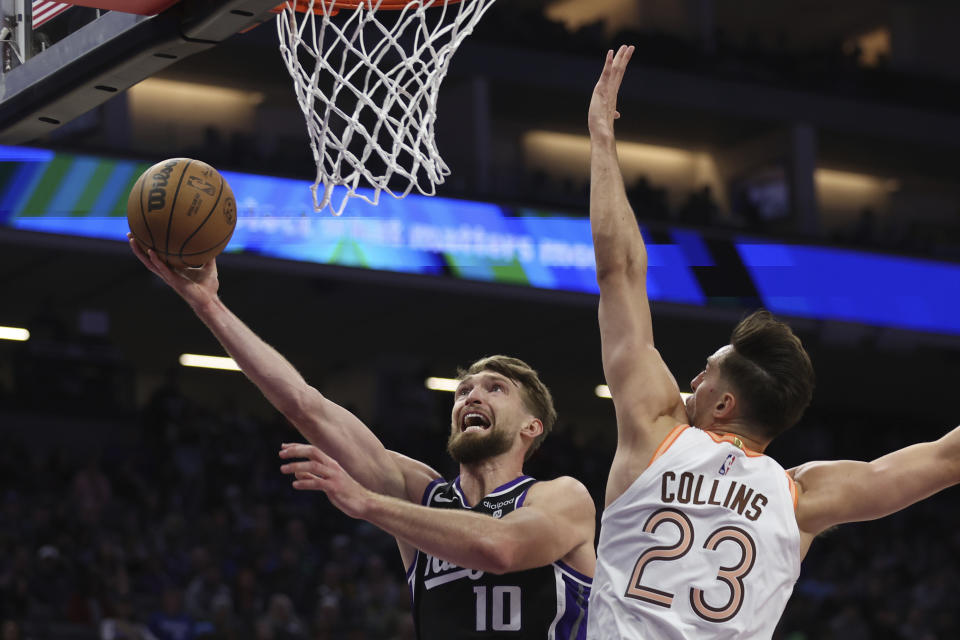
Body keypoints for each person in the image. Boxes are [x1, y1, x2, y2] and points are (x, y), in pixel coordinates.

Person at [586, 45, 960, 638]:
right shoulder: (801, 496)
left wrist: (602, 143)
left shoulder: (655, 431)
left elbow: (620, 273)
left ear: (725, 404)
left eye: (706, 372)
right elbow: (948, 457)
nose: (693, 381)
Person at [129, 237, 595, 639]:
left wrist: (368, 504)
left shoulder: (563, 498)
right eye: (464, 389)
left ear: (531, 427)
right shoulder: (421, 492)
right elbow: (302, 403)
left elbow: (500, 549)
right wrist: (208, 305)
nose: (472, 395)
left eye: (496, 388)